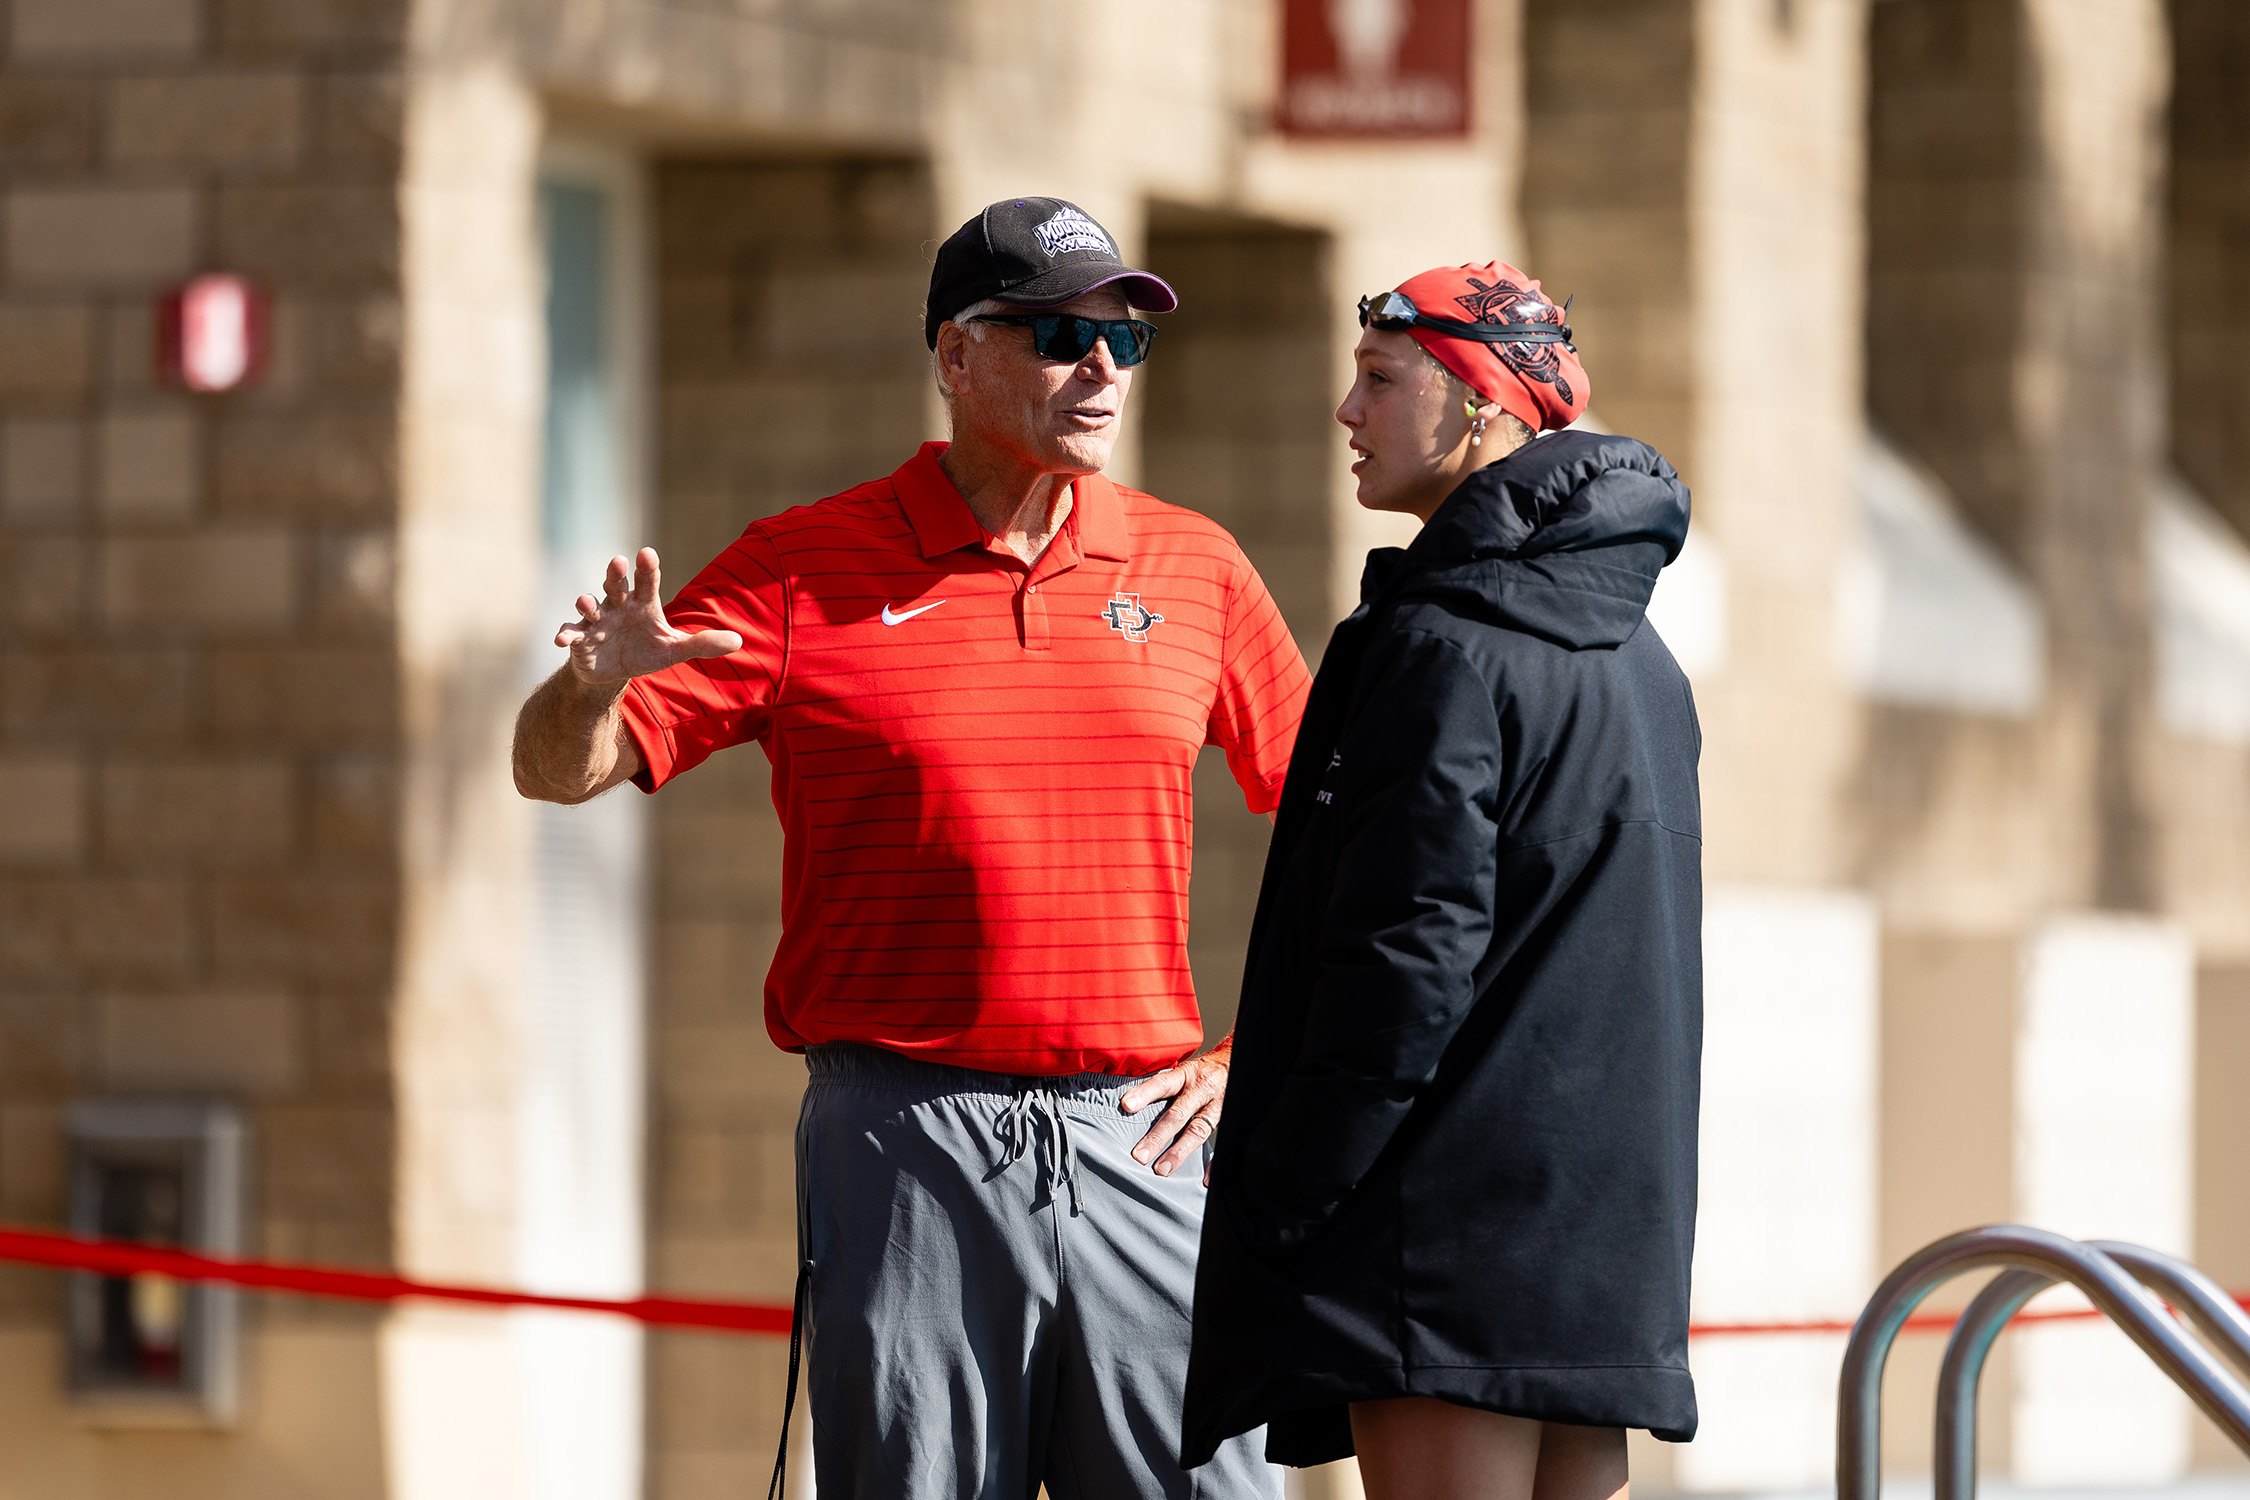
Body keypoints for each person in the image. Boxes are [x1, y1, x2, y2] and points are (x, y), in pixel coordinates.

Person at [512, 196, 1308, 1500]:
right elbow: (557, 773)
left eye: (1124, 341)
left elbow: (1356, 827)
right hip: (909, 1144)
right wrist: (589, 686)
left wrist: (1264, 1045)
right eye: (1059, 334)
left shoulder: (1194, 566)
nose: (1099, 368)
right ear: (954, 355)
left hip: (1147, 1142)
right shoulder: (795, 569)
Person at [1180, 262, 1702, 1500]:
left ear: (1480, 406)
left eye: (1380, 379)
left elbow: (1403, 958)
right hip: (1600, 1231)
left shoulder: (1439, 644)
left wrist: (1281, 1188)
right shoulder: (1641, 653)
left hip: (1443, 1240)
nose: (1346, 414)